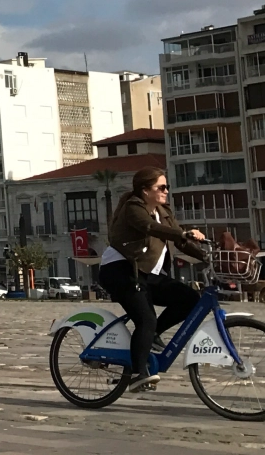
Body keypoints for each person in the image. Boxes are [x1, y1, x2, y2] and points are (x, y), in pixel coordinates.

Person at [96, 167, 207, 394]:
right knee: (146, 319)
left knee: (190, 298)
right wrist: (181, 234)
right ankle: (138, 373)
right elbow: (150, 228)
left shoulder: (163, 211)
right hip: (119, 271)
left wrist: (206, 255)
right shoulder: (133, 208)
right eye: (161, 187)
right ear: (145, 190)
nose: (166, 191)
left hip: (146, 273)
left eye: (167, 187)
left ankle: (153, 335)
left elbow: (180, 239)